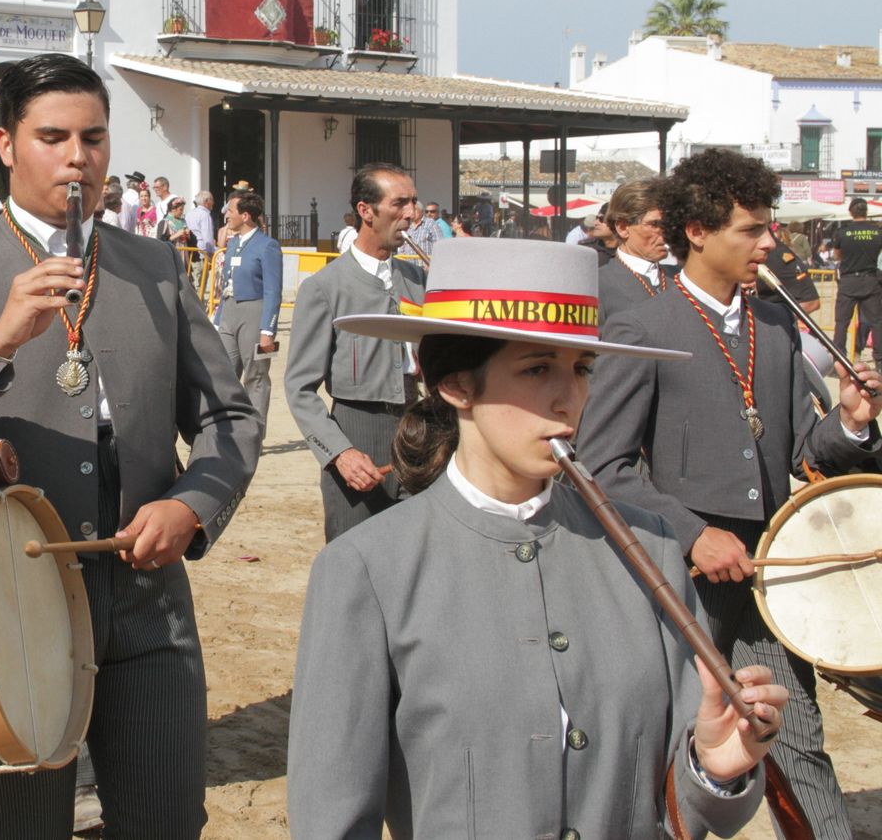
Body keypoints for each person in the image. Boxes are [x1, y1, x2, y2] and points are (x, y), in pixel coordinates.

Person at [0, 52, 260, 840]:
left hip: (148, 600)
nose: (78, 157)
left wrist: (192, 506)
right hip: (15, 601)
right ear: (6, 144)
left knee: (167, 823)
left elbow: (229, 416)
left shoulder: (155, 263)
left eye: (94, 137)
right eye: (53, 137)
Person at [290, 237, 786, 839]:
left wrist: (714, 767)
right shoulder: (367, 568)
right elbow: (332, 817)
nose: (568, 400)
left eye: (581, 369)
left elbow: (687, 809)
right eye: (536, 368)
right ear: (455, 384)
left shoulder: (650, 548)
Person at [578, 148, 881, 838]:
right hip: (679, 586)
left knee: (796, 739)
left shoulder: (775, 327)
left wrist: (851, 423)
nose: (769, 243)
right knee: (660, 741)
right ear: (697, 232)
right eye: (752, 229)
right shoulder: (643, 327)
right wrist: (692, 534)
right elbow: (601, 464)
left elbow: (804, 455)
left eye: (767, 226)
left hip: (768, 582)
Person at [284, 162, 423, 541]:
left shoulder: (419, 280)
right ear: (366, 211)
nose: (412, 214)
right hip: (357, 434)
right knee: (355, 555)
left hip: (417, 434)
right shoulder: (324, 288)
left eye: (413, 202)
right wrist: (340, 453)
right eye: (400, 203)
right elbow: (299, 388)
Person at [215, 192, 282, 432]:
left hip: (255, 312)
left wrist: (268, 330)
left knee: (256, 375)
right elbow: (226, 283)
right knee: (224, 372)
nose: (226, 215)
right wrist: (218, 319)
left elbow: (273, 290)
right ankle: (229, 428)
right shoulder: (233, 243)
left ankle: (254, 432)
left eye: (230, 211)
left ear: (245, 216)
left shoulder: (267, 245)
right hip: (229, 311)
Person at [599, 177, 674, 327]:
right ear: (623, 228)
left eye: (668, 224)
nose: (665, 232)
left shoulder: (681, 279)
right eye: (654, 224)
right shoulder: (598, 284)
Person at [831, 197, 882, 363]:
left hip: (849, 281)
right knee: (876, 322)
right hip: (870, 280)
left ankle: (839, 358)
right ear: (866, 212)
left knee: (842, 322)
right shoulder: (877, 232)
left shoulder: (842, 232)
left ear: (851, 212)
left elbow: (837, 256)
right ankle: (879, 360)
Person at [761, 221, 820, 318]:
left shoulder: (776, 253)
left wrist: (769, 324)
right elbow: (807, 251)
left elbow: (811, 302)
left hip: (794, 263)